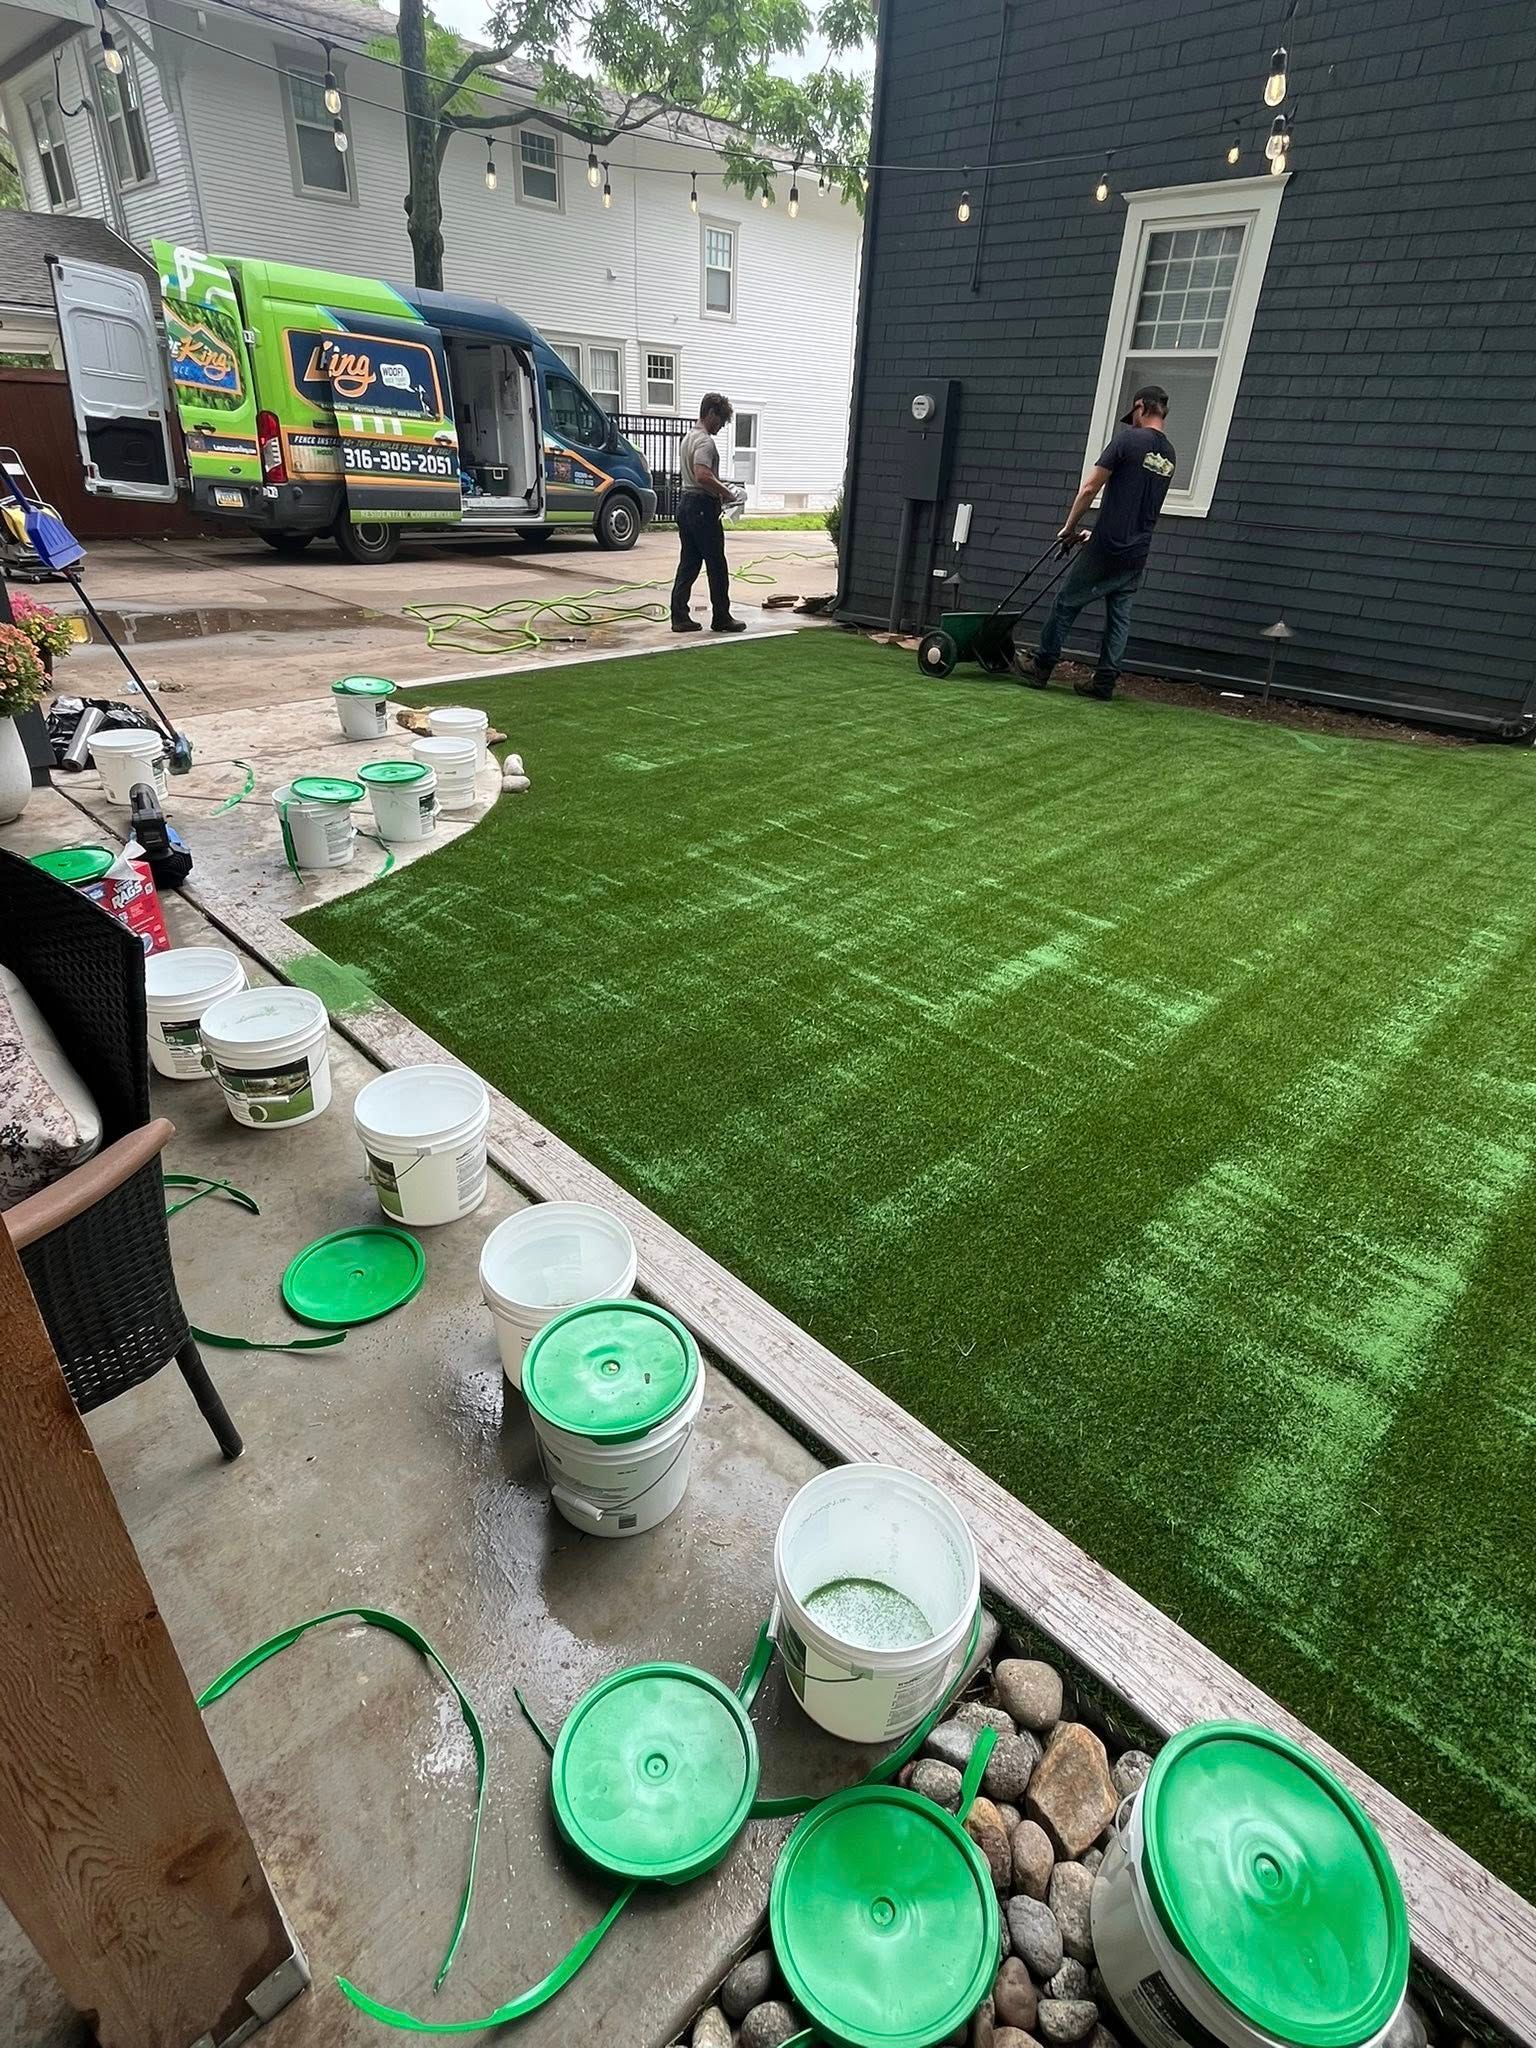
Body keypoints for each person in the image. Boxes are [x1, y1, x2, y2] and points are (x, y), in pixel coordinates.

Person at [1025, 386, 1176, 699]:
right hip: (1136, 550)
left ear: (1140, 407)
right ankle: (1105, 682)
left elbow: (1089, 488)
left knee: (1066, 603)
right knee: (1119, 614)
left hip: (1108, 548)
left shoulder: (1127, 440)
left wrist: (1069, 527)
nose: (1131, 420)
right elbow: (1137, 504)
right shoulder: (1169, 454)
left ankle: (1041, 665)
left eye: (1133, 415)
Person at [671, 393, 747, 634]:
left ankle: (679, 616)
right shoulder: (705, 442)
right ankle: (722, 617)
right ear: (711, 413)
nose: (721, 426)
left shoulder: (688, 438)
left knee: (689, 563)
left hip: (685, 504)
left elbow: (698, 476)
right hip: (701, 507)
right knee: (716, 564)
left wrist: (719, 486)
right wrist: (728, 493)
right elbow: (702, 475)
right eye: (721, 420)